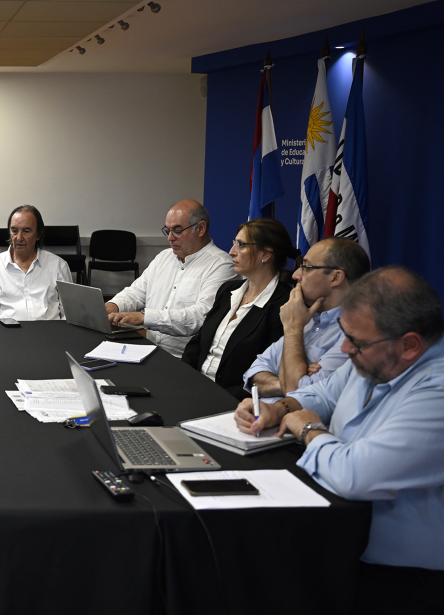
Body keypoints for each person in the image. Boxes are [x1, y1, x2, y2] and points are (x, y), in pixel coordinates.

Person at [235, 267, 444, 612]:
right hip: (342, 542)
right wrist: (282, 407)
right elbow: (325, 395)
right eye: (345, 334)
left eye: (356, 342)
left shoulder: (435, 391)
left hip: (402, 578)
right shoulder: (375, 354)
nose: (345, 348)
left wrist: (310, 431)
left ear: (409, 345)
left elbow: (355, 475)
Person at [105, 199, 235, 357]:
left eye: (178, 231)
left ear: (200, 229)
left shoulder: (221, 265)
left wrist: (145, 318)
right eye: (168, 230)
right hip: (149, 349)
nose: (170, 238)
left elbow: (200, 317)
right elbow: (136, 292)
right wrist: (113, 305)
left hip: (186, 358)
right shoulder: (164, 257)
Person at [181, 218, 294, 397]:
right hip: (195, 388)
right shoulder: (228, 291)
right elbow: (199, 341)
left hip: (233, 401)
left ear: (265, 254)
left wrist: (213, 396)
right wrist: (185, 377)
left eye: (241, 245)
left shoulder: (284, 305)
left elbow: (265, 373)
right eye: (235, 244)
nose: (231, 252)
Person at [243, 237, 369, 397]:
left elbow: (302, 396)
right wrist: (288, 381)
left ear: (336, 278)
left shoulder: (357, 333)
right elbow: (254, 373)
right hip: (263, 416)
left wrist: (293, 329)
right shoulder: (307, 316)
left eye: (306, 267)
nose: (295, 275)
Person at [0, 205, 71, 322]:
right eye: (14, 231)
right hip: (8, 335)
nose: (19, 238)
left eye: (26, 231)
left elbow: (70, 313)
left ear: (38, 234)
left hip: (50, 335)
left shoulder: (58, 266)